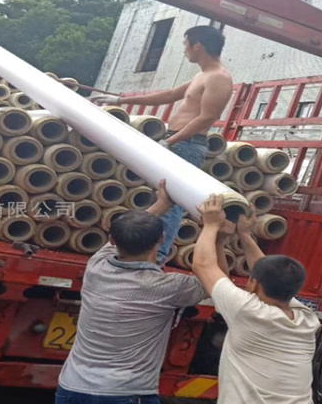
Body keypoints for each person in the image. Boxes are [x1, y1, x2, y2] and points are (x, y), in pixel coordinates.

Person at [54, 180, 231, 404]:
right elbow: (219, 282)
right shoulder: (168, 287)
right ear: (161, 240)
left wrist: (161, 204)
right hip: (126, 400)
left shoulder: (97, 266)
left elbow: (124, 234)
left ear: (113, 241)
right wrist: (214, 232)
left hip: (72, 392)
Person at [91, 26, 234, 265]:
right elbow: (168, 95)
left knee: (171, 204)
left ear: (197, 45)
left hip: (187, 145)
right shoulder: (202, 75)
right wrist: (120, 100)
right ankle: (146, 253)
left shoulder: (219, 77)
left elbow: (207, 117)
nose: (184, 50)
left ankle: (156, 258)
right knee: (162, 200)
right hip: (178, 142)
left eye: (185, 44)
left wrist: (171, 141)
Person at [192, 196, 322, 404]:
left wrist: (210, 225)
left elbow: (203, 265)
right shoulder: (306, 318)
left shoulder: (247, 311)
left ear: (253, 283)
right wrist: (244, 234)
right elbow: (268, 272)